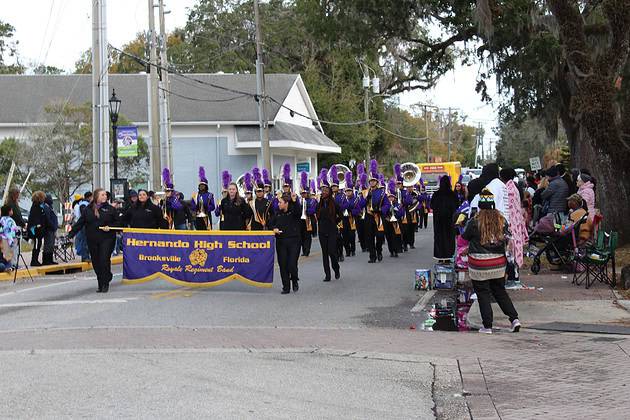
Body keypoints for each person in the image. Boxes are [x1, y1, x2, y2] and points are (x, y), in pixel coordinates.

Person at [462, 188, 521, 334]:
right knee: (500, 291)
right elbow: (507, 237)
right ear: (493, 204)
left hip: (479, 263)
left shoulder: (474, 221)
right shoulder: (502, 220)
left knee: (483, 293)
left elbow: (465, 237)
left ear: (480, 205)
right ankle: (514, 319)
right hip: (498, 263)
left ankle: (487, 326)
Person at [69, 188, 121, 293]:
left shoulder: (110, 209)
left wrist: (110, 226)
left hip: (107, 238)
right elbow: (80, 222)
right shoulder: (88, 209)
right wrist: (71, 233)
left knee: (104, 259)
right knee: (96, 262)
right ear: (96, 196)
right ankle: (100, 282)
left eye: (105, 195)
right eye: (102, 195)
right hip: (92, 238)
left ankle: (105, 283)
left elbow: (119, 223)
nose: (105, 197)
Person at [269, 192, 302, 294]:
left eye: (280, 202)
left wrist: (295, 200)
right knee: (283, 265)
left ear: (286, 203)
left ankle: (295, 279)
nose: (278, 204)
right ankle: (286, 287)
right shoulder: (277, 213)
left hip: (294, 241)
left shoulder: (293, 212)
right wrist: (274, 228)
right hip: (281, 241)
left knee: (292, 264)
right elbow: (270, 223)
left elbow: (298, 211)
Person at [500, 168, 529, 284]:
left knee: (511, 250)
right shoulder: (515, 187)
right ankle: (514, 274)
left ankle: (513, 275)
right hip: (516, 222)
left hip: (512, 223)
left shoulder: (509, 190)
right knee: (514, 249)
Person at [316, 173, 341, 281]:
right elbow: (316, 214)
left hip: (332, 231)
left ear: (329, 192)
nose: (324, 192)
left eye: (326, 190)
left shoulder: (334, 203)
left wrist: (335, 222)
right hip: (322, 231)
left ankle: (336, 268)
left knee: (331, 251)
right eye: (322, 190)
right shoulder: (319, 204)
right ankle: (327, 274)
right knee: (324, 254)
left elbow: (340, 215)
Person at [430, 176, 459, 261]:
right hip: (450, 220)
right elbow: (457, 205)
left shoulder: (436, 194)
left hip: (438, 220)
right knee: (449, 238)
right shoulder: (453, 194)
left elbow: (431, 205)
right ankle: (449, 255)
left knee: (439, 238)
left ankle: (440, 256)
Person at [363, 160, 386, 263]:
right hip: (369, 216)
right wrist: (366, 198)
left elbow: (387, 204)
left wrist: (381, 209)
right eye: (370, 181)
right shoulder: (365, 192)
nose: (372, 182)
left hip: (379, 216)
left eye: (374, 180)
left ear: (377, 182)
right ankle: (372, 256)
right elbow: (360, 204)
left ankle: (379, 250)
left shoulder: (381, 192)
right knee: (369, 237)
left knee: (380, 236)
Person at [383, 178, 405, 258]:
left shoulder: (398, 205)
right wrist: (388, 208)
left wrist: (396, 211)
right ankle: (391, 251)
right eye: (389, 197)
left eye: (392, 197)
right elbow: (383, 212)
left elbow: (402, 213)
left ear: (395, 198)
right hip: (388, 222)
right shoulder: (385, 205)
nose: (390, 199)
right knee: (388, 237)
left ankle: (396, 251)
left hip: (396, 223)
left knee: (395, 237)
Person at [341, 172, 361, 258]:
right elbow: (340, 207)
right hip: (344, 219)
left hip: (352, 219)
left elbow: (358, 210)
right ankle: (347, 251)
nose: (348, 192)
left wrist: (352, 211)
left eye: (349, 191)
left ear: (352, 191)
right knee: (344, 236)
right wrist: (347, 206)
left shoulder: (356, 199)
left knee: (351, 236)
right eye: (346, 191)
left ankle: (352, 250)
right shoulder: (342, 199)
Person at [297, 172, 317, 255]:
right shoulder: (299, 200)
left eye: (305, 193)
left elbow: (313, 210)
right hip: (301, 221)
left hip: (308, 219)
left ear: (308, 193)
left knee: (307, 236)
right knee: (301, 236)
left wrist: (306, 210)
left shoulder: (312, 200)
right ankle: (304, 250)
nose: (303, 195)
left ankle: (307, 250)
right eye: (302, 193)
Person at [27, 191, 47, 267]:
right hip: (35, 230)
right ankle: (34, 260)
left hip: (36, 229)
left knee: (38, 244)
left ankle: (35, 259)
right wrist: (38, 226)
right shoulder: (36, 207)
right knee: (36, 245)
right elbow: (36, 218)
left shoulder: (36, 206)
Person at [73, 192, 91, 262]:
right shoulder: (83, 204)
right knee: (84, 241)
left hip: (83, 224)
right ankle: (84, 256)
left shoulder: (81, 204)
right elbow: (84, 215)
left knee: (84, 241)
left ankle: (85, 255)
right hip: (84, 225)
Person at [0, 205, 20, 269]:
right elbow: (15, 229)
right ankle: (12, 265)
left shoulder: (1, 219)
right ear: (9, 212)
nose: (12, 211)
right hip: (11, 238)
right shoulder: (10, 220)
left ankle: (6, 265)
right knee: (12, 252)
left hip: (3, 238)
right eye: (11, 210)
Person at [42, 193, 58, 265]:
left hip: (52, 229)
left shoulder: (50, 207)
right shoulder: (45, 207)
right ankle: (46, 260)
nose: (51, 200)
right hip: (49, 229)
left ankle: (50, 260)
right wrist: (53, 226)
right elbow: (48, 219)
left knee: (51, 245)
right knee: (48, 245)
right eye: (50, 198)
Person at [402, 184, 419, 249]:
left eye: (411, 187)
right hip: (405, 213)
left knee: (412, 229)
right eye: (408, 187)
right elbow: (406, 202)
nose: (409, 188)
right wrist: (407, 195)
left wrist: (418, 194)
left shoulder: (415, 194)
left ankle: (411, 243)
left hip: (413, 213)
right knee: (405, 230)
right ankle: (405, 244)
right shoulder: (404, 194)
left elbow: (421, 199)